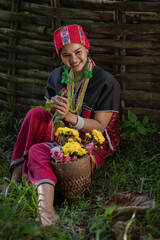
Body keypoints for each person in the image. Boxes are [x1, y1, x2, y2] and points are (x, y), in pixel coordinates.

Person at [10, 25, 120, 227]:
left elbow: (99, 128)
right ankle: (15, 176)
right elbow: (48, 108)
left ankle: (47, 210)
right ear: (60, 57)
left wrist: (69, 116)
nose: (74, 60)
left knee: (38, 151)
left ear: (87, 47)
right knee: (35, 113)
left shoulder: (106, 81)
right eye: (66, 55)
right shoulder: (57, 75)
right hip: (62, 126)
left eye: (78, 52)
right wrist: (52, 107)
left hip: (91, 139)